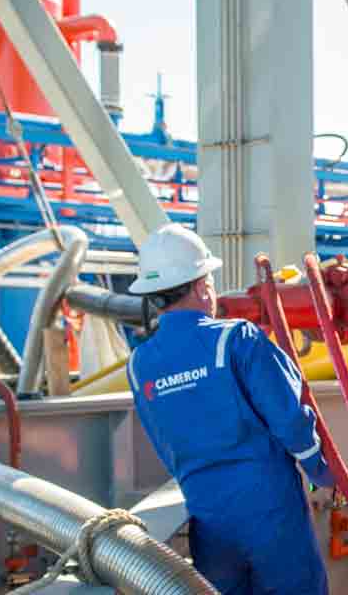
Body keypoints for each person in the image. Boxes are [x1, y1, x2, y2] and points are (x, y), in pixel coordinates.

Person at [127, 224, 334, 594]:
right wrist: (323, 471)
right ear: (201, 286)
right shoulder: (236, 339)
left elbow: (163, 441)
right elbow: (289, 418)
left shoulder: (139, 363)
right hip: (271, 514)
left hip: (208, 520)